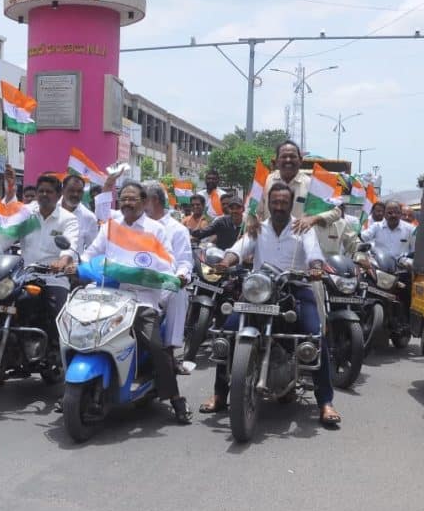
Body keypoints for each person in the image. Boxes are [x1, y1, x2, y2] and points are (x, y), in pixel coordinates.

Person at [199, 182, 341, 426]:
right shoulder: (256, 228)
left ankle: (325, 402)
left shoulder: (302, 228)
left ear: (290, 203)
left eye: (283, 202)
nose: (278, 207)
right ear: (268, 202)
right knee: (228, 332)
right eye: (274, 202)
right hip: (259, 289)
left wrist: (316, 268)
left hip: (294, 288)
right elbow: (238, 249)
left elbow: (313, 253)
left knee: (315, 336)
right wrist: (226, 261)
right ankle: (220, 394)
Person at [79, 181, 192, 424]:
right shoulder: (110, 226)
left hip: (141, 298)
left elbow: (169, 262)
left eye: (133, 199)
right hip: (107, 294)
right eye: (124, 199)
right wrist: (80, 264)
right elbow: (91, 252)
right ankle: (70, 388)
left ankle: (174, 397)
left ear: (144, 202)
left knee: (155, 344)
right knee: (79, 325)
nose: (128, 203)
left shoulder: (155, 230)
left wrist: (152, 271)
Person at [0, 174, 78, 342]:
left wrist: (62, 261)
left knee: (57, 318)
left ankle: (57, 355)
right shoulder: (27, 214)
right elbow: (7, 237)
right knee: (4, 306)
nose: (44, 194)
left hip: (54, 278)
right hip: (25, 276)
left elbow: (70, 246)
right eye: (41, 191)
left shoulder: (67, 219)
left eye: (49, 191)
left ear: (59, 196)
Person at [142, 182, 193, 375]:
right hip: (132, 283)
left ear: (153, 201)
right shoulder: (136, 223)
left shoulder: (177, 229)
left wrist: (181, 276)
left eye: (142, 199)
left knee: (178, 292)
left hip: (161, 286)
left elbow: (185, 262)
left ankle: (170, 352)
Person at [252, 140, 341, 235]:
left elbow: (336, 212)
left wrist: (313, 219)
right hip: (270, 242)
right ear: (277, 161)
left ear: (300, 160)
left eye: (292, 156)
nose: (288, 160)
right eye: (284, 156)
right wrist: (251, 219)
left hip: (300, 244)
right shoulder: (264, 182)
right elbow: (252, 211)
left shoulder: (312, 185)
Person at [60, 174, 98, 253]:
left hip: (73, 264)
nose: (75, 194)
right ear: (63, 190)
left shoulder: (89, 217)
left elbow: (93, 250)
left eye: (79, 191)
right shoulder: (51, 209)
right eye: (71, 190)